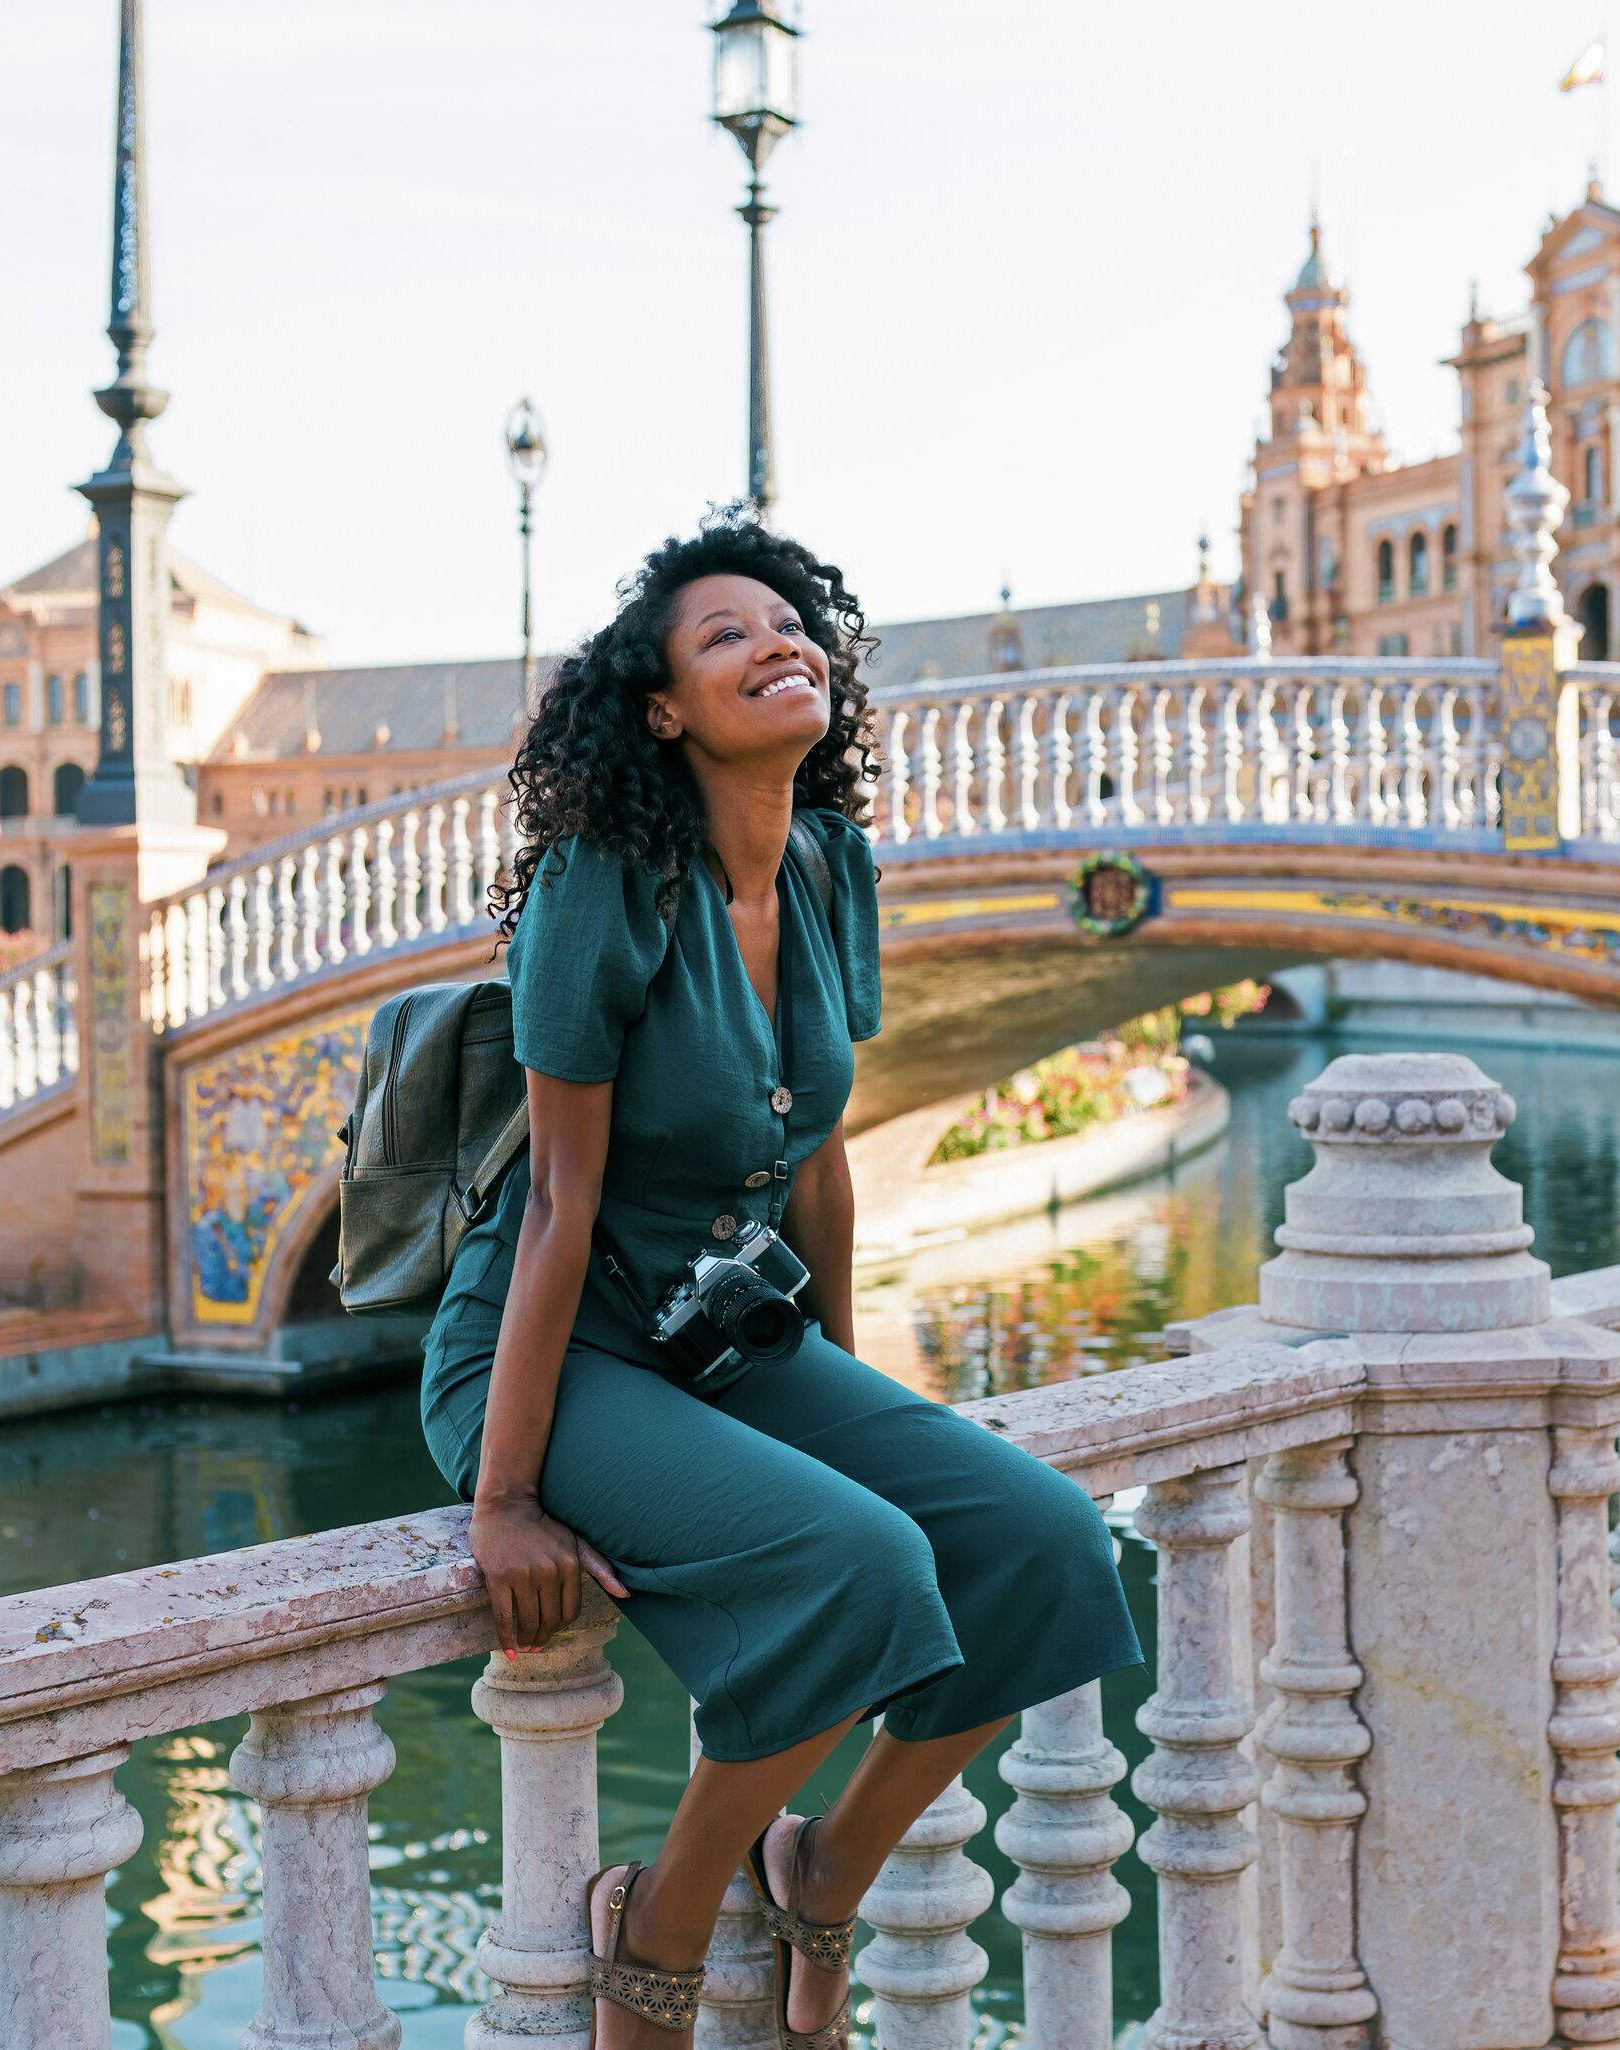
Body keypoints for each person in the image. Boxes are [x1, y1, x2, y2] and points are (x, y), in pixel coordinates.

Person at [420, 515, 1145, 2050]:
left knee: (1048, 1545)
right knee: (865, 1565)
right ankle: (657, 1930)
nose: (778, 642)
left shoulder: (826, 865)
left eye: (791, 622)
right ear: (665, 709)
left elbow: (821, 1159)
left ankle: (822, 1867)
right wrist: (501, 1497)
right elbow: (556, 1200)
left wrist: (846, 1384)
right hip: (552, 1355)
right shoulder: (598, 879)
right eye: (726, 634)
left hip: (731, 1342)